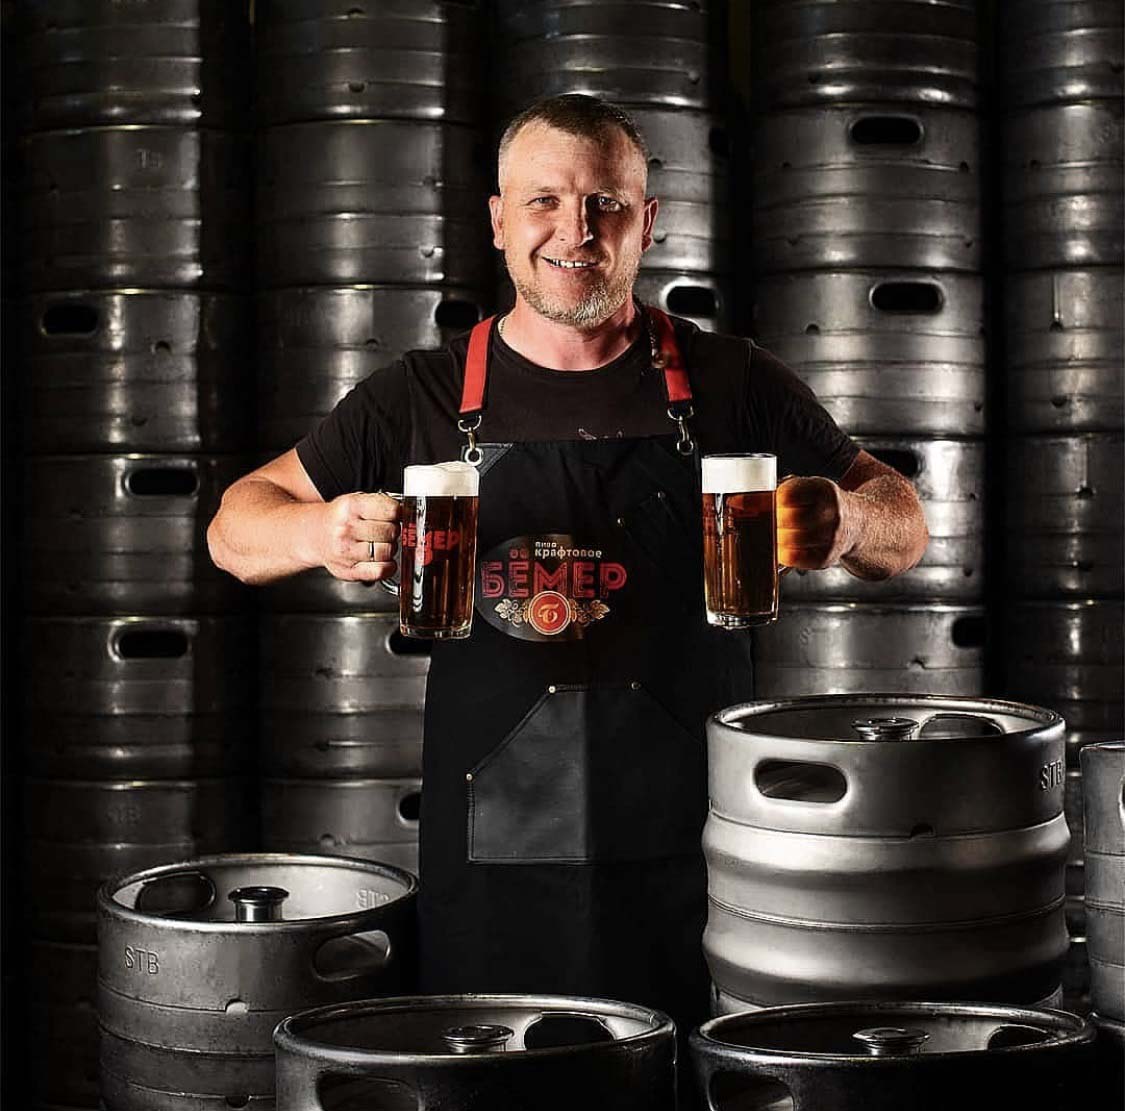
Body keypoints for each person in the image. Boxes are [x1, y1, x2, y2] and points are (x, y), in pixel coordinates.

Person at [209, 96, 928, 1036]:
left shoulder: (733, 381)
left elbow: (905, 524)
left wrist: (848, 519)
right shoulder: (417, 396)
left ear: (647, 222)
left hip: (701, 851)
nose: (574, 231)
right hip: (491, 864)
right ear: (498, 220)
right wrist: (317, 531)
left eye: (605, 204)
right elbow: (233, 529)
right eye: (542, 201)